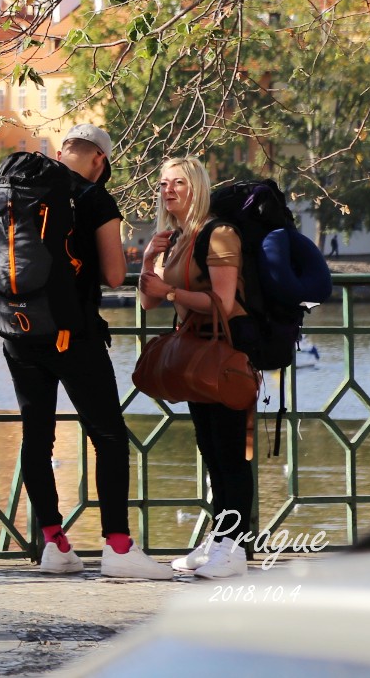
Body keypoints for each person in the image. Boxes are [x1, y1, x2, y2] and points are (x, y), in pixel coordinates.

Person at [8, 125, 174, 578]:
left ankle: (55, 544)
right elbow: (116, 276)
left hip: (18, 332)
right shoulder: (94, 198)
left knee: (36, 438)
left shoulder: (19, 187)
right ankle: (118, 548)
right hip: (73, 336)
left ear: (62, 152)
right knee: (108, 436)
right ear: (101, 161)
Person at [139, 155, 252, 580]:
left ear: (197, 187)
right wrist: (150, 259)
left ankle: (235, 546)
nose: (168, 190)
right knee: (210, 449)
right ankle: (220, 539)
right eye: (164, 183)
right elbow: (148, 300)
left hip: (225, 354)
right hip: (196, 354)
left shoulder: (218, 235)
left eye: (178, 184)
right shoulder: (176, 237)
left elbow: (222, 304)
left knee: (231, 454)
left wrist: (171, 292)